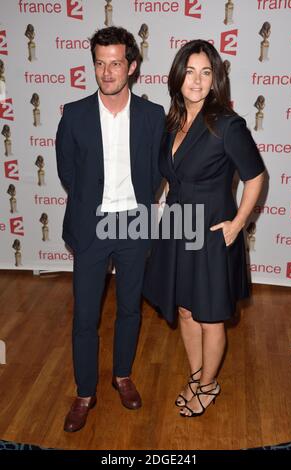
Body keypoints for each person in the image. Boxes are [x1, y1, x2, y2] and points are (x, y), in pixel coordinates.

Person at [143, 40, 265, 417]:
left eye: (206, 72)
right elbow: (165, 176)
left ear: (215, 81)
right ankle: (197, 376)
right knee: (184, 311)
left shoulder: (228, 124)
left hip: (212, 230)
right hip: (177, 226)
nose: (196, 80)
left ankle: (209, 386)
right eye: (190, 71)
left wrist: (238, 223)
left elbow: (256, 177)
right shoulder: (172, 122)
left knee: (210, 315)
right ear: (178, 77)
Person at [56, 26, 165, 432]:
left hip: (134, 224)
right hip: (91, 227)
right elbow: (67, 169)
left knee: (130, 308)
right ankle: (85, 392)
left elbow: (156, 172)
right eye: (100, 63)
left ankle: (122, 375)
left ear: (131, 67)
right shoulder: (75, 113)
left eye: (115, 63)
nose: (106, 72)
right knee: (85, 314)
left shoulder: (153, 116)